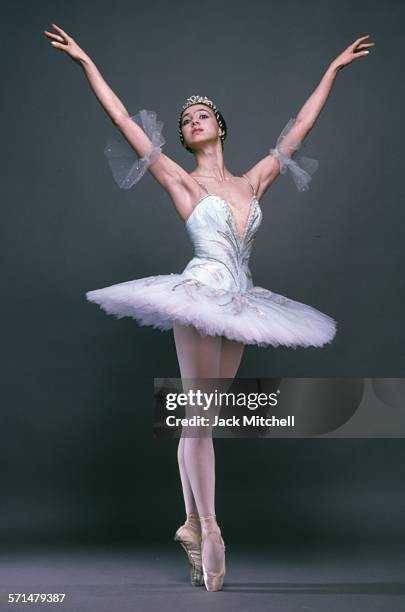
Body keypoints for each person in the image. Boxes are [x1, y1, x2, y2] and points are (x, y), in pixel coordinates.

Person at [44, 23, 374, 592]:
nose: (191, 121)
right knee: (198, 416)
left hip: (243, 301)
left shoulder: (254, 182)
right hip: (199, 296)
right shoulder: (181, 182)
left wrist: (333, 71)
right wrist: (86, 62)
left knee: (206, 420)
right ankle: (213, 528)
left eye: (201, 115)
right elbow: (124, 122)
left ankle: (192, 524)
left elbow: (298, 128)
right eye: (185, 120)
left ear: (219, 126)